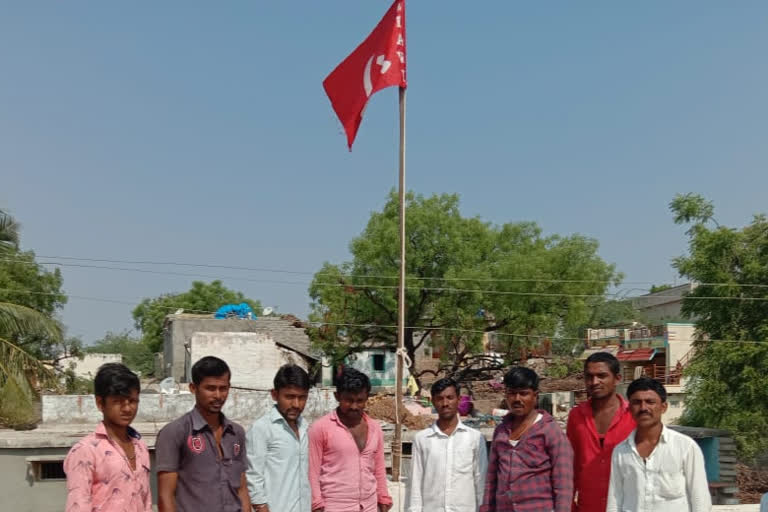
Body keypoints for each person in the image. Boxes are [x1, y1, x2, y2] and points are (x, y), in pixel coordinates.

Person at [156, 356, 249, 512]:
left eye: (223, 388)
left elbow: (242, 488)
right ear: (193, 388)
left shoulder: (236, 433)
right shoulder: (175, 432)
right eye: (210, 388)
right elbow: (166, 496)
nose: (218, 395)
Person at [606, 377, 711, 512]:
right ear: (630, 408)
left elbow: (700, 499)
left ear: (663, 407)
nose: (643, 408)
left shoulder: (686, 447)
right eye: (637, 402)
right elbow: (615, 500)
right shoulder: (621, 452)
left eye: (650, 402)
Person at [480, 366, 573, 512]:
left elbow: (563, 484)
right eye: (512, 393)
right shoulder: (501, 432)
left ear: (535, 396)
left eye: (524, 394)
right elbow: (491, 479)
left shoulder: (550, 431)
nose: (517, 399)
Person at [64, 363, 151, 512]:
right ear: (100, 403)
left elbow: (146, 501)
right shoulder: (85, 451)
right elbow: (78, 504)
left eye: (132, 401)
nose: (127, 408)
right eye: (117, 401)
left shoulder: (140, 446)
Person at [308, 367, 392, 512]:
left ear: (367, 398)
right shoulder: (320, 428)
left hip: (369, 506)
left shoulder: (375, 428)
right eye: (348, 400)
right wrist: (316, 504)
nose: (354, 406)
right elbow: (312, 472)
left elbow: (379, 468)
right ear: (337, 396)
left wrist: (383, 498)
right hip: (334, 506)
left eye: (360, 401)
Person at [567, 352, 635, 511]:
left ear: (617, 379)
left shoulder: (633, 415)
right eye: (589, 376)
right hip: (588, 506)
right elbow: (571, 465)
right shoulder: (576, 416)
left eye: (602, 376)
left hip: (626, 506)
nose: (594, 382)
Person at [409, 377, 488, 512]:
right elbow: (416, 482)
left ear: (459, 399)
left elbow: (480, 480)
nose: (445, 403)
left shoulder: (475, 438)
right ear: (433, 402)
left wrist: (484, 507)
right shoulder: (422, 439)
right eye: (440, 398)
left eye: (450, 397)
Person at [246, 364, 312, 512]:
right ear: (275, 395)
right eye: (289, 397)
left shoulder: (305, 427)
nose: (296, 404)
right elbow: (252, 477)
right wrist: (262, 508)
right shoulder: (262, 428)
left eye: (302, 398)